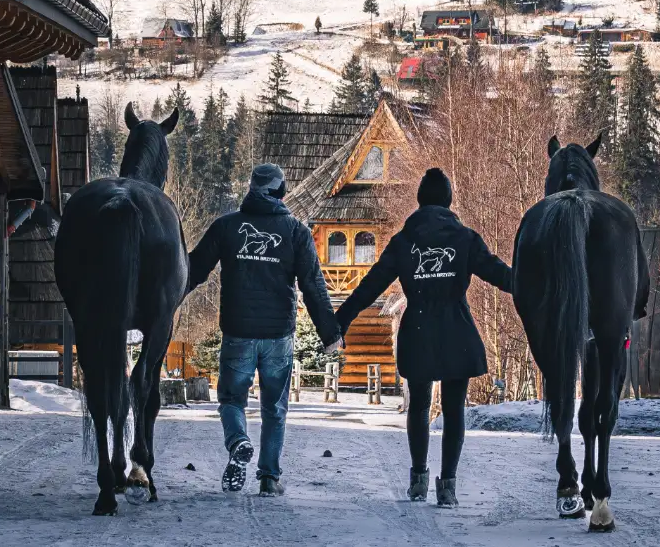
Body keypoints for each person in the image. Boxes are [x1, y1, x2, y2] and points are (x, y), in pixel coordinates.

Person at [336, 168, 511, 507]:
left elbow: (370, 285)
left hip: (417, 329)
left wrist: (339, 321)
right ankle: (447, 487)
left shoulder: (404, 242)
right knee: (454, 409)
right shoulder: (465, 239)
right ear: (448, 201)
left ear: (419, 202)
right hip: (456, 330)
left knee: (418, 406)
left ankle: (418, 480)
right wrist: (540, 288)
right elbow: (500, 275)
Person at [187, 163, 342, 496]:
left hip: (238, 332)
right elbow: (313, 285)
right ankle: (269, 478)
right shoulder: (296, 232)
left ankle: (238, 441)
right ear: (281, 191)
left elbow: (194, 270)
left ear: (251, 189)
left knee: (231, 400)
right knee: (275, 407)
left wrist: (158, 301)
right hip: (278, 336)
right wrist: (329, 334)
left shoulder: (226, 227)